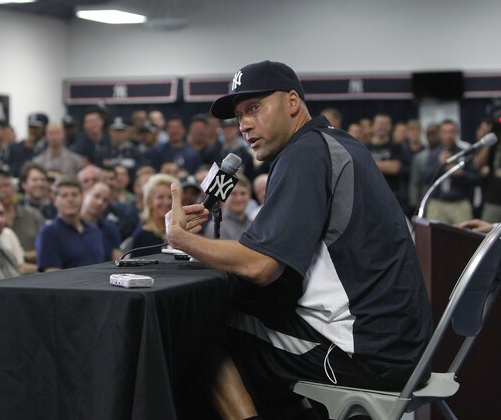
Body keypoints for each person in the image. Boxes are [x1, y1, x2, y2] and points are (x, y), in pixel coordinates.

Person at [165, 60, 432, 419]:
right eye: (239, 116)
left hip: (366, 355)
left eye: (254, 108)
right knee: (254, 318)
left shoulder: (303, 154)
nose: (243, 124)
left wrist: (181, 238)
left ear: (292, 102)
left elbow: (261, 266)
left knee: (201, 329)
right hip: (407, 347)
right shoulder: (340, 143)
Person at [35, 176, 104, 271]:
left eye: (74, 195)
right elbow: (51, 277)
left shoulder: (94, 230)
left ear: (82, 197)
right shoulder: (49, 233)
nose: (70, 199)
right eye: (64, 196)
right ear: (55, 201)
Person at [129, 173, 177, 257]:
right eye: (160, 197)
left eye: (170, 197)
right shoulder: (141, 236)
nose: (166, 202)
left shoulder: (181, 233)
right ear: (150, 201)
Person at [80, 182, 122, 261]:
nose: (100, 202)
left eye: (105, 200)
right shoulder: (71, 227)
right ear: (84, 194)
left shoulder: (110, 229)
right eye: (96, 196)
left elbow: (119, 263)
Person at [204, 174, 252, 240]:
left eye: (243, 193)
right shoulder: (216, 226)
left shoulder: (253, 224)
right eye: (233, 193)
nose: (239, 199)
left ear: (249, 196)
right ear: (224, 197)